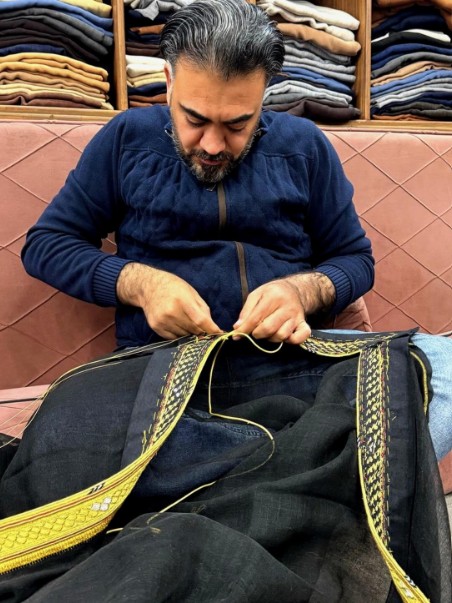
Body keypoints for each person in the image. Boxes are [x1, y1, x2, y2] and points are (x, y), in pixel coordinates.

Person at [21, 0, 451, 458]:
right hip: (163, 368)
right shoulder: (127, 138)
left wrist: (302, 291)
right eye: (194, 119)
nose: (212, 145)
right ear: (169, 82)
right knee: (64, 434)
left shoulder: (305, 146)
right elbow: (47, 245)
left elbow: (356, 260)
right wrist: (139, 283)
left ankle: (274, 469)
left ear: (264, 94)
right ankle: (297, 470)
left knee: (443, 370)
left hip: (291, 361)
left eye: (237, 124)